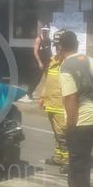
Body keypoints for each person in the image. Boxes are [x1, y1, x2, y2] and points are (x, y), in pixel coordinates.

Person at [53, 31, 93, 187]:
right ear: (76, 44)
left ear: (60, 47)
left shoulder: (66, 66)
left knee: (77, 162)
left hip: (81, 120)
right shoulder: (91, 61)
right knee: (81, 159)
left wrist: (70, 126)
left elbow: (71, 97)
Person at [39, 29, 68, 173]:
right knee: (57, 133)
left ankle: (68, 161)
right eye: (56, 46)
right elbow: (47, 81)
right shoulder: (52, 61)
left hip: (62, 106)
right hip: (51, 104)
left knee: (63, 133)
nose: (58, 48)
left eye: (60, 45)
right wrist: (42, 97)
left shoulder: (68, 63)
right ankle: (59, 158)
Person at [21, 25, 52, 103]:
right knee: (36, 79)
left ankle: (47, 95)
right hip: (39, 63)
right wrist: (39, 62)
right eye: (44, 31)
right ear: (42, 31)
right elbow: (35, 52)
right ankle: (28, 94)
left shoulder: (48, 40)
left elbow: (49, 51)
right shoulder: (38, 39)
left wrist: (51, 60)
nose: (45, 32)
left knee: (49, 78)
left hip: (47, 62)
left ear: (48, 31)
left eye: (47, 31)